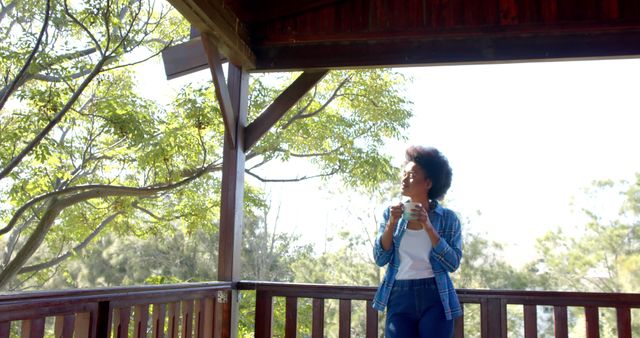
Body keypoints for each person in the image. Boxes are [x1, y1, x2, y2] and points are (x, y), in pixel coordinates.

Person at [372, 146, 462, 338]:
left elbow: (453, 263)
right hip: (399, 294)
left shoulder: (448, 218)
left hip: (435, 295)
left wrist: (428, 227)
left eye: (411, 175)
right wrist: (391, 224)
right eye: (403, 174)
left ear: (428, 182)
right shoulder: (390, 213)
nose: (404, 179)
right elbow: (380, 259)